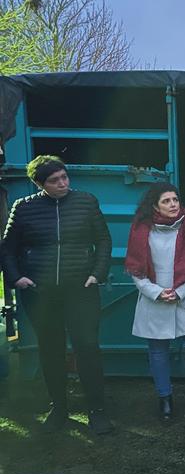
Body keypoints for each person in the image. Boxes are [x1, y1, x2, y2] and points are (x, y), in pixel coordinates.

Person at [0, 155, 113, 434]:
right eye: (54, 180)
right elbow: (7, 248)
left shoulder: (86, 201)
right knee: (50, 351)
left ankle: (97, 412)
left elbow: (103, 240)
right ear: (40, 184)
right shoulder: (23, 208)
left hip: (81, 290)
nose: (62, 183)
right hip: (40, 293)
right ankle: (58, 409)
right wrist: (17, 278)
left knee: (87, 348)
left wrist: (96, 273)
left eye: (64, 177)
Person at [125, 182, 185, 421]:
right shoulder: (142, 229)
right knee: (158, 352)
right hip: (155, 300)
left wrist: (181, 292)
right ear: (154, 206)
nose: (172, 204)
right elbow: (136, 270)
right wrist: (156, 292)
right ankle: (165, 400)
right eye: (166, 201)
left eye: (175, 200)